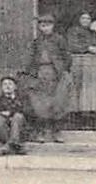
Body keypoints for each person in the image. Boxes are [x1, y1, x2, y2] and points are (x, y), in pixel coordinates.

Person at [24, 12, 71, 141]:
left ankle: (57, 132)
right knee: (40, 104)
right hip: (40, 72)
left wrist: (63, 70)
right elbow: (31, 58)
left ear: (53, 26)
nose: (45, 28)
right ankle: (42, 132)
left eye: (48, 25)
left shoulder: (59, 40)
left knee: (58, 101)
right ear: (39, 27)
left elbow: (67, 56)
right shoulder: (36, 42)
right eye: (43, 25)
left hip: (55, 72)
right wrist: (30, 73)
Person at [66, 11, 96, 118]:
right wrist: (87, 48)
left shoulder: (93, 33)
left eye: (88, 19)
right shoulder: (73, 31)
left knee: (91, 87)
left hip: (93, 63)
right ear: (79, 20)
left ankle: (90, 111)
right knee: (78, 86)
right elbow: (71, 45)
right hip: (79, 61)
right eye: (83, 18)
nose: (86, 21)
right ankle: (76, 112)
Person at [0, 76, 27, 155]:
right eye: (4, 84)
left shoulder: (22, 98)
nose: (7, 86)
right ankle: (13, 146)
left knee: (18, 116)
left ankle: (8, 147)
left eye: (10, 84)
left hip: (20, 129)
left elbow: (27, 111)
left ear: (15, 87)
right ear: (1, 88)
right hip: (4, 131)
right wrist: (3, 114)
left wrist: (11, 113)